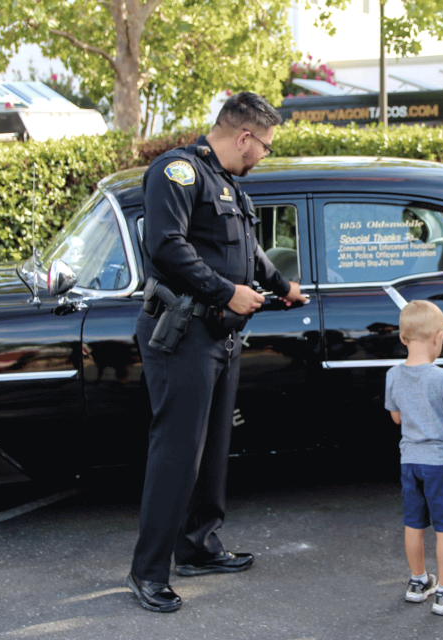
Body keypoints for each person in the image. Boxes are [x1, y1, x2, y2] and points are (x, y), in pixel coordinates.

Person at [127, 92, 308, 613]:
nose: (263, 156)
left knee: (211, 450)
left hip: (219, 334)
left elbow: (246, 250)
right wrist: (224, 291)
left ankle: (198, 547)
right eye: (265, 147)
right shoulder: (176, 173)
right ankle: (148, 572)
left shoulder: (225, 181)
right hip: (182, 332)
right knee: (176, 454)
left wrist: (281, 283)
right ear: (244, 136)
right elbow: (165, 246)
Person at [384, 300, 443, 616]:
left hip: (410, 461)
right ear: (439, 337)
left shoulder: (393, 376)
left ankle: (418, 582)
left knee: (414, 522)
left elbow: (397, 418)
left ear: (402, 337)